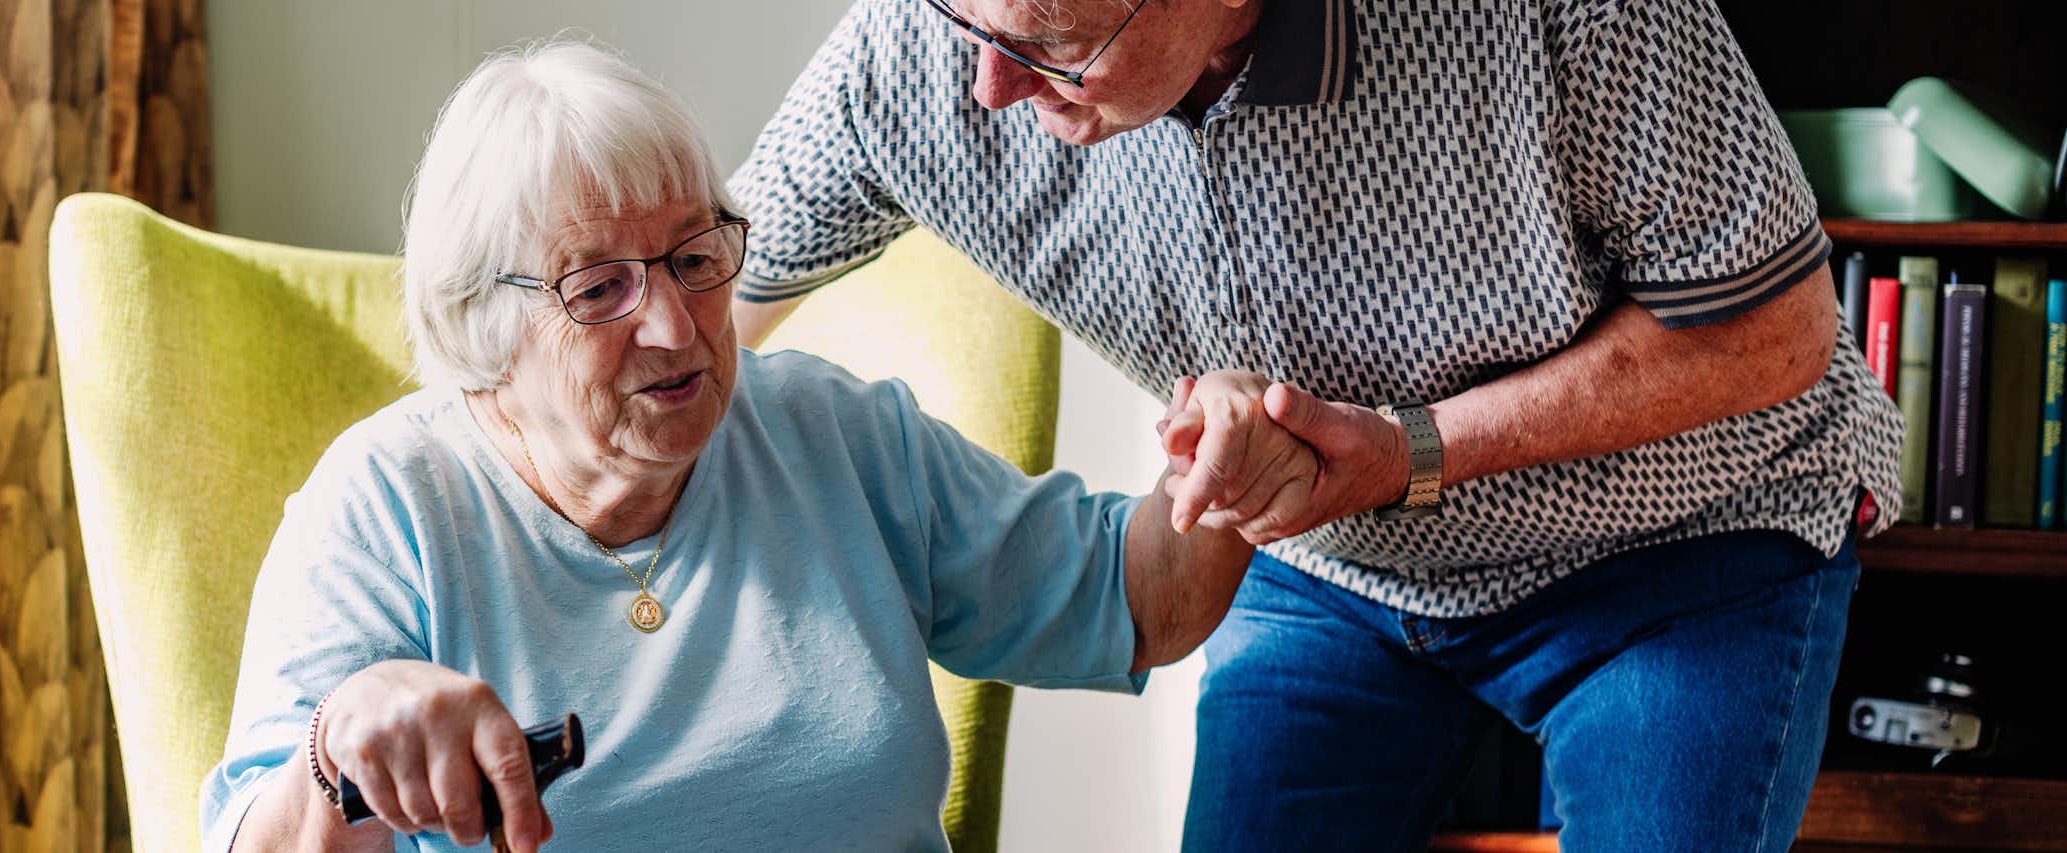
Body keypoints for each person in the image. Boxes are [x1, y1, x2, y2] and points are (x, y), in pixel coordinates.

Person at [727, 0, 1903, 850]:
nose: (987, 85)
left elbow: (1772, 332)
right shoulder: (925, 49)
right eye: (967, 21)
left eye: (1055, 46)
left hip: (1681, 541)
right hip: (1332, 572)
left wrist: (1409, 449)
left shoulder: (1568, 13)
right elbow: (667, 316)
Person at [199, 40, 1253, 853]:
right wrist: (336, 746)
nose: (675, 324)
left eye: (694, 255)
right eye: (599, 286)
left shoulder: (833, 437)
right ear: (484, 323)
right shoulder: (387, 505)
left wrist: (1222, 457)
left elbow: (1131, 599)